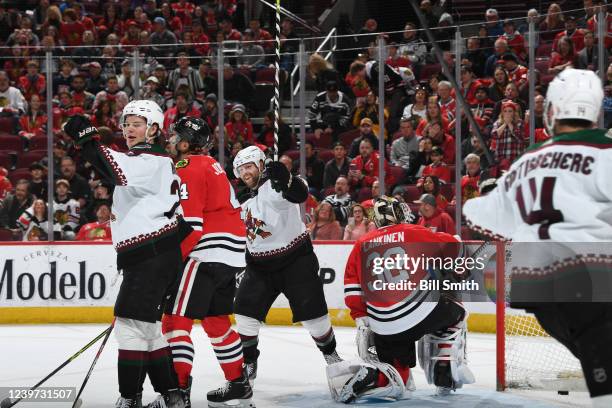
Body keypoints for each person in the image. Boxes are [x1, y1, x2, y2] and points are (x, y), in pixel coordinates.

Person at [463, 68, 611, 408]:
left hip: (540, 293)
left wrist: (480, 200)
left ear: (554, 110)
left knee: (599, 365)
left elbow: (485, 214)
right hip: (592, 280)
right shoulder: (605, 152)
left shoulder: (528, 159)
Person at [63, 100, 188, 408]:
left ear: (154, 128)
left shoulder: (151, 160)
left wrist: (86, 136)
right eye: (126, 123)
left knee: (129, 328)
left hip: (151, 257)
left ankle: (129, 398)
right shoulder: (146, 160)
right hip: (153, 256)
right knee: (147, 329)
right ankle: (172, 396)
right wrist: (87, 140)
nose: (129, 129)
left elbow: (108, 163)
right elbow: (113, 164)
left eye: (137, 123)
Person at [330, 196, 472, 403]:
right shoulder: (413, 231)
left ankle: (376, 379)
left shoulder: (361, 243)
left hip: (383, 325)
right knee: (457, 311)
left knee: (398, 378)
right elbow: (455, 247)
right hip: (423, 314)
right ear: (397, 214)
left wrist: (362, 317)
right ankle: (443, 359)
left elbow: (352, 288)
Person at [232, 146, 343, 389]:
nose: (245, 172)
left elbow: (299, 194)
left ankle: (331, 355)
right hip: (259, 266)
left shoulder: (275, 185)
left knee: (315, 316)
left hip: (295, 261)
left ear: (261, 165)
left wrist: (286, 179)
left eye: (249, 166)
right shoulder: (240, 198)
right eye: (241, 169)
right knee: (243, 313)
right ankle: (249, 361)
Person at [161, 117, 253, 408]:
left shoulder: (188, 167)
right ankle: (238, 383)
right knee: (216, 322)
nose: (170, 140)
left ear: (186, 142)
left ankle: (178, 394)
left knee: (175, 321)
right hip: (230, 254)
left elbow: (191, 226)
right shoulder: (210, 164)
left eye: (175, 136)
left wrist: (171, 262)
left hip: (206, 252)